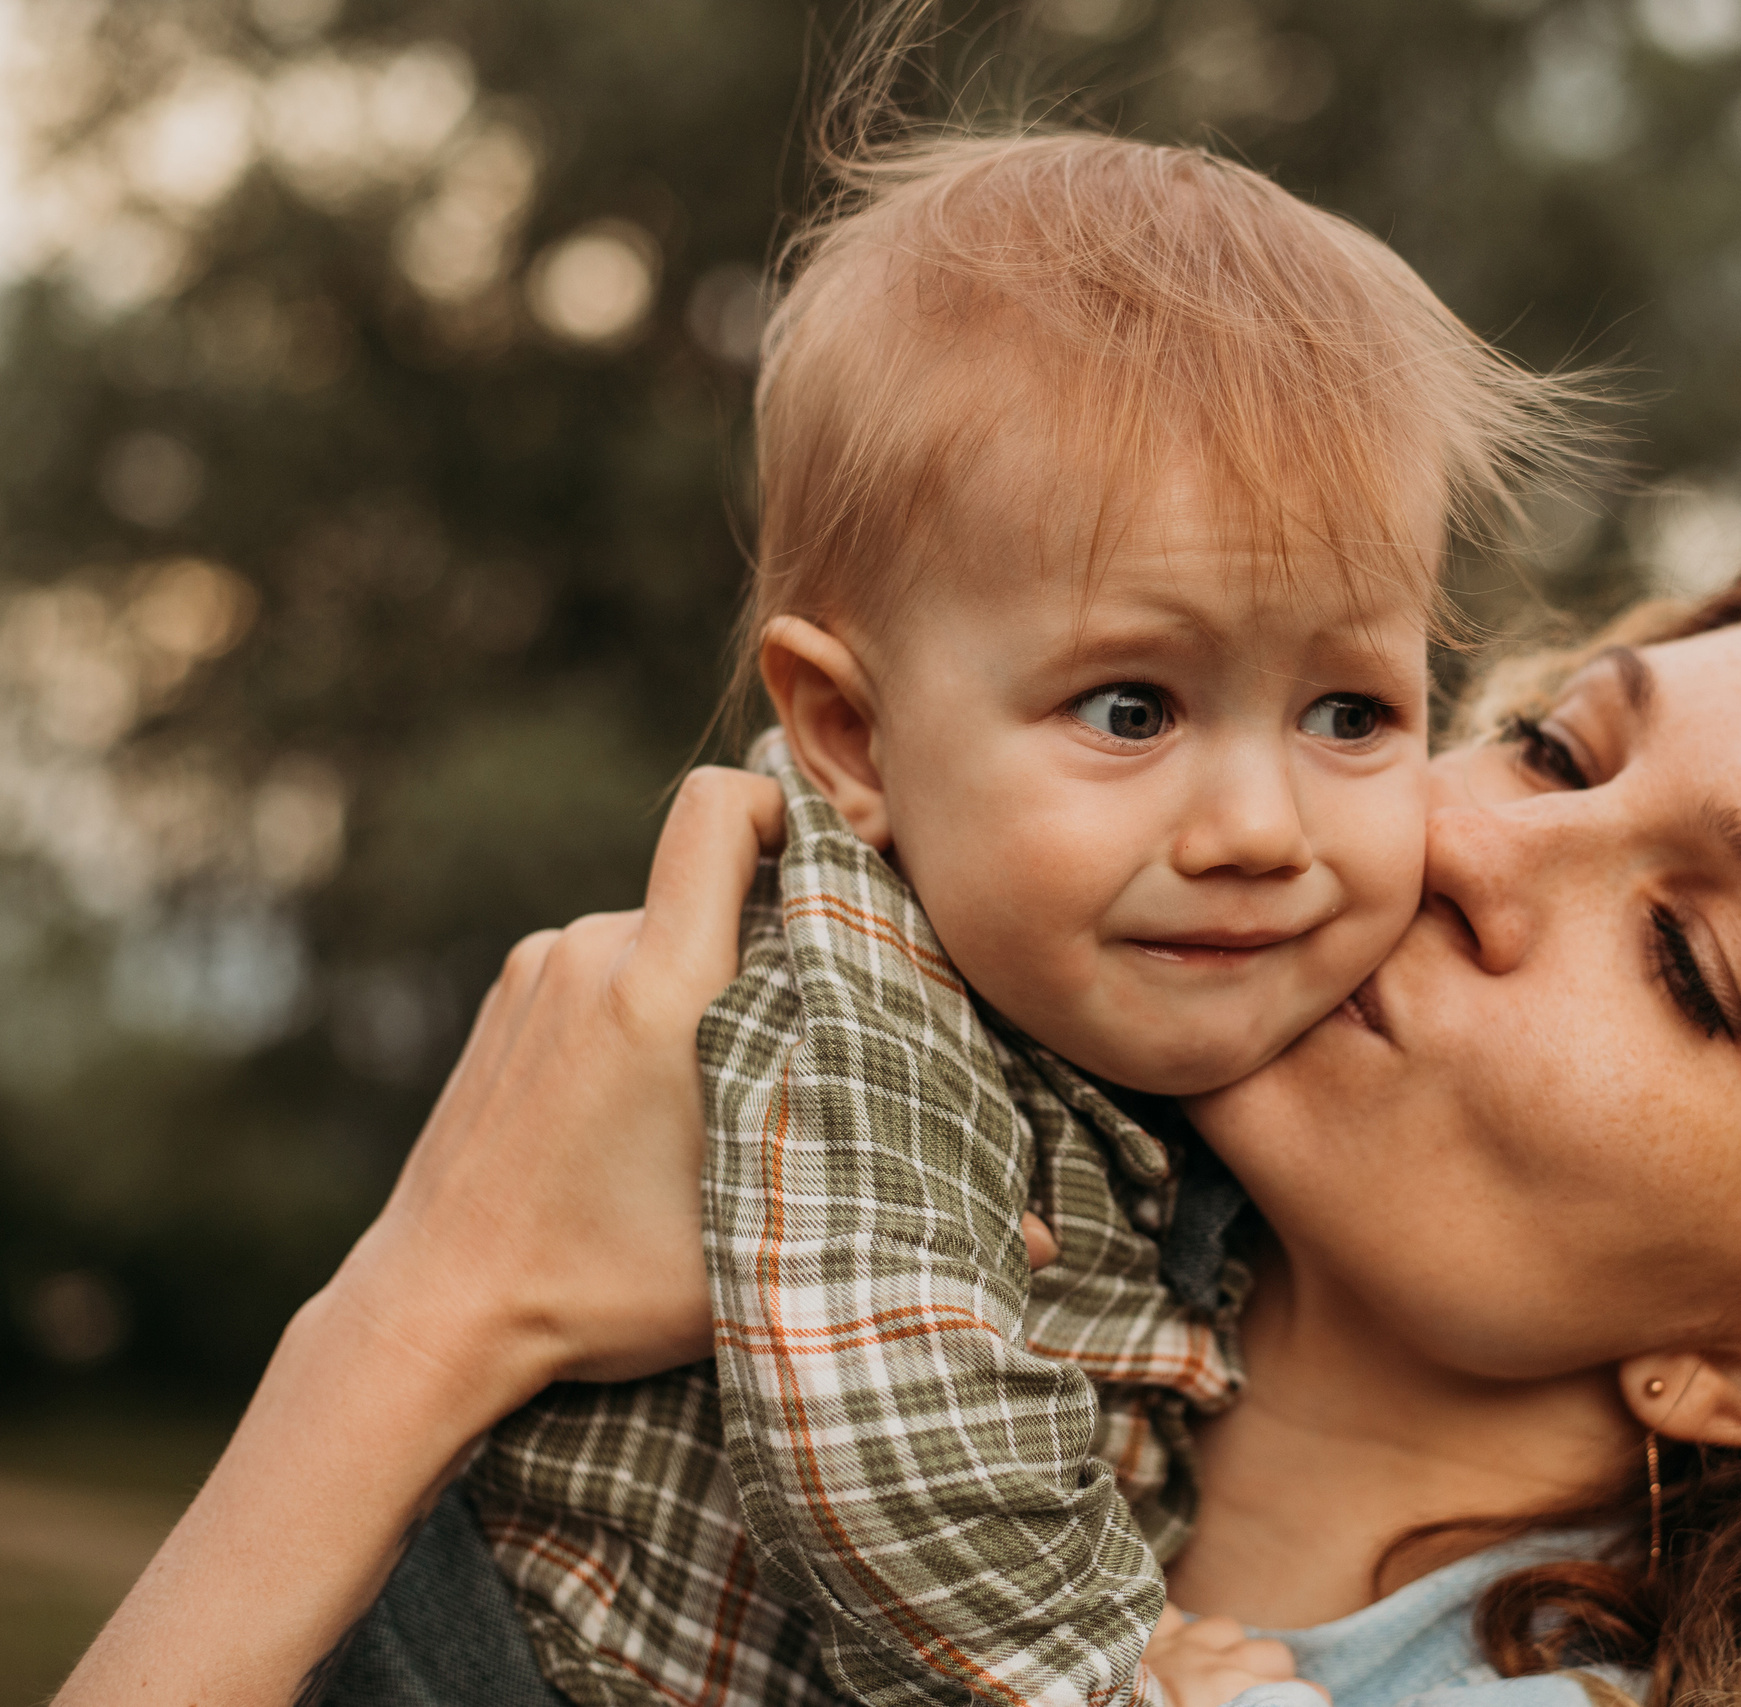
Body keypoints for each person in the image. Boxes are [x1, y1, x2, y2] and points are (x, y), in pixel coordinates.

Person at [61, 561, 1741, 1707]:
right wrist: (427, 1301)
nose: (1468, 847)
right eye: (1560, 746)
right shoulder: (935, 1236)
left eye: (1689, 960)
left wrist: (435, 1300)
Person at [465, 67, 1601, 1707]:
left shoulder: (1136, 992)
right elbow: (886, 1428)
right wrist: (1105, 1675)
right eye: (1130, 708)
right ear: (853, 733)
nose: (1258, 828)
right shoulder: (851, 1002)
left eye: (1350, 713)